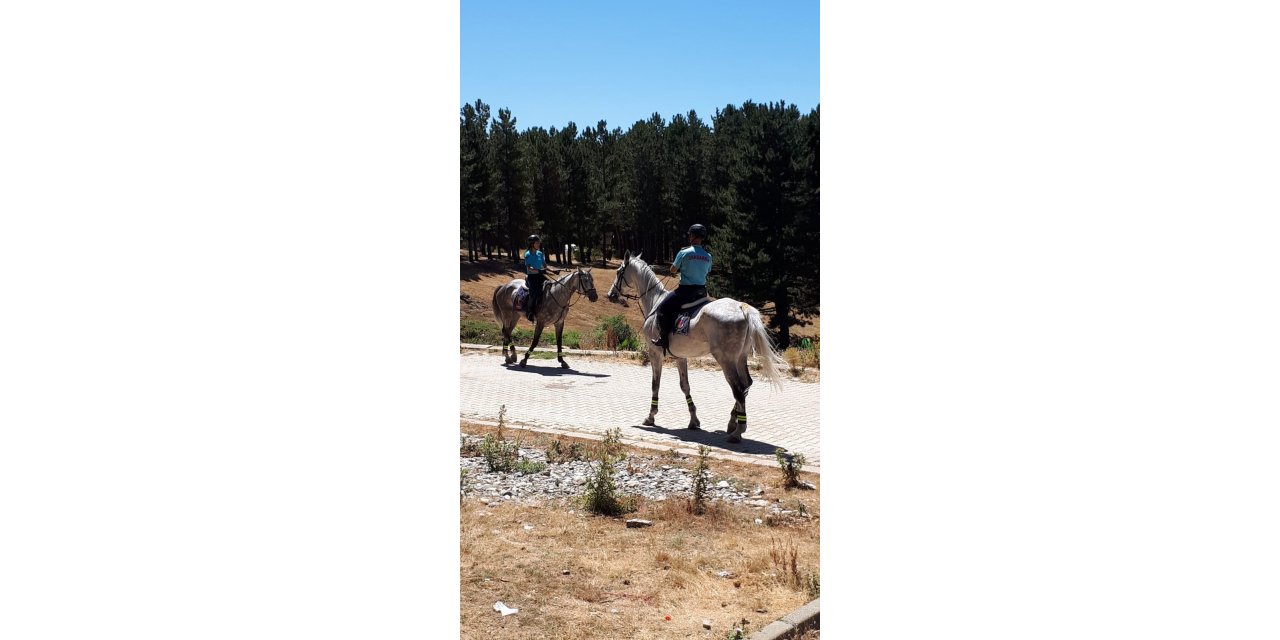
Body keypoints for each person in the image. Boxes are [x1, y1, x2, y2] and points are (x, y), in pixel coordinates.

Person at [651, 224, 712, 351]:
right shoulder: (708, 256)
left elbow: (673, 269)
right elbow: (708, 271)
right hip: (702, 292)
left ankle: (663, 340)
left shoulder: (684, 252)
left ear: (694, 236)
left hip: (685, 292)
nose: (689, 236)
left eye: (690, 234)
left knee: (662, 309)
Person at [522, 234, 559, 321]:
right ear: (532, 244)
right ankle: (530, 312)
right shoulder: (528, 254)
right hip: (531, 277)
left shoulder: (540, 253)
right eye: (537, 243)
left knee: (551, 287)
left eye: (539, 243)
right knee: (534, 293)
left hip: (540, 275)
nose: (539, 244)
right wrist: (539, 271)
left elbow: (545, 266)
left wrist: (553, 270)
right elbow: (529, 268)